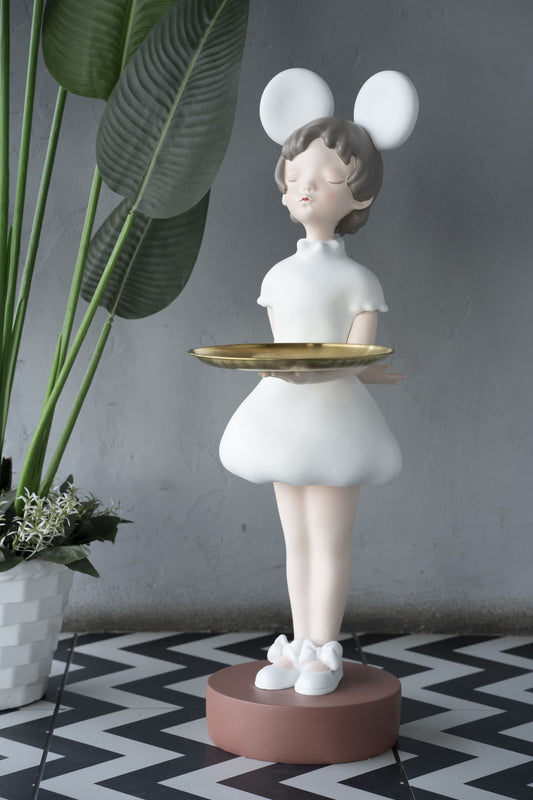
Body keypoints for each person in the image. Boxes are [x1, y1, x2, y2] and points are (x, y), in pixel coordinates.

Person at [219, 116, 403, 696]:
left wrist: (355, 370)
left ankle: (326, 649)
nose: (306, 187)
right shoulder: (277, 277)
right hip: (282, 418)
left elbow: (356, 354)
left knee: (328, 540)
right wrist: (280, 369)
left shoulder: (359, 280)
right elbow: (281, 346)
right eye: (296, 175)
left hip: (336, 423)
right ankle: (300, 645)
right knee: (296, 539)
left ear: (359, 195)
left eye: (327, 177)